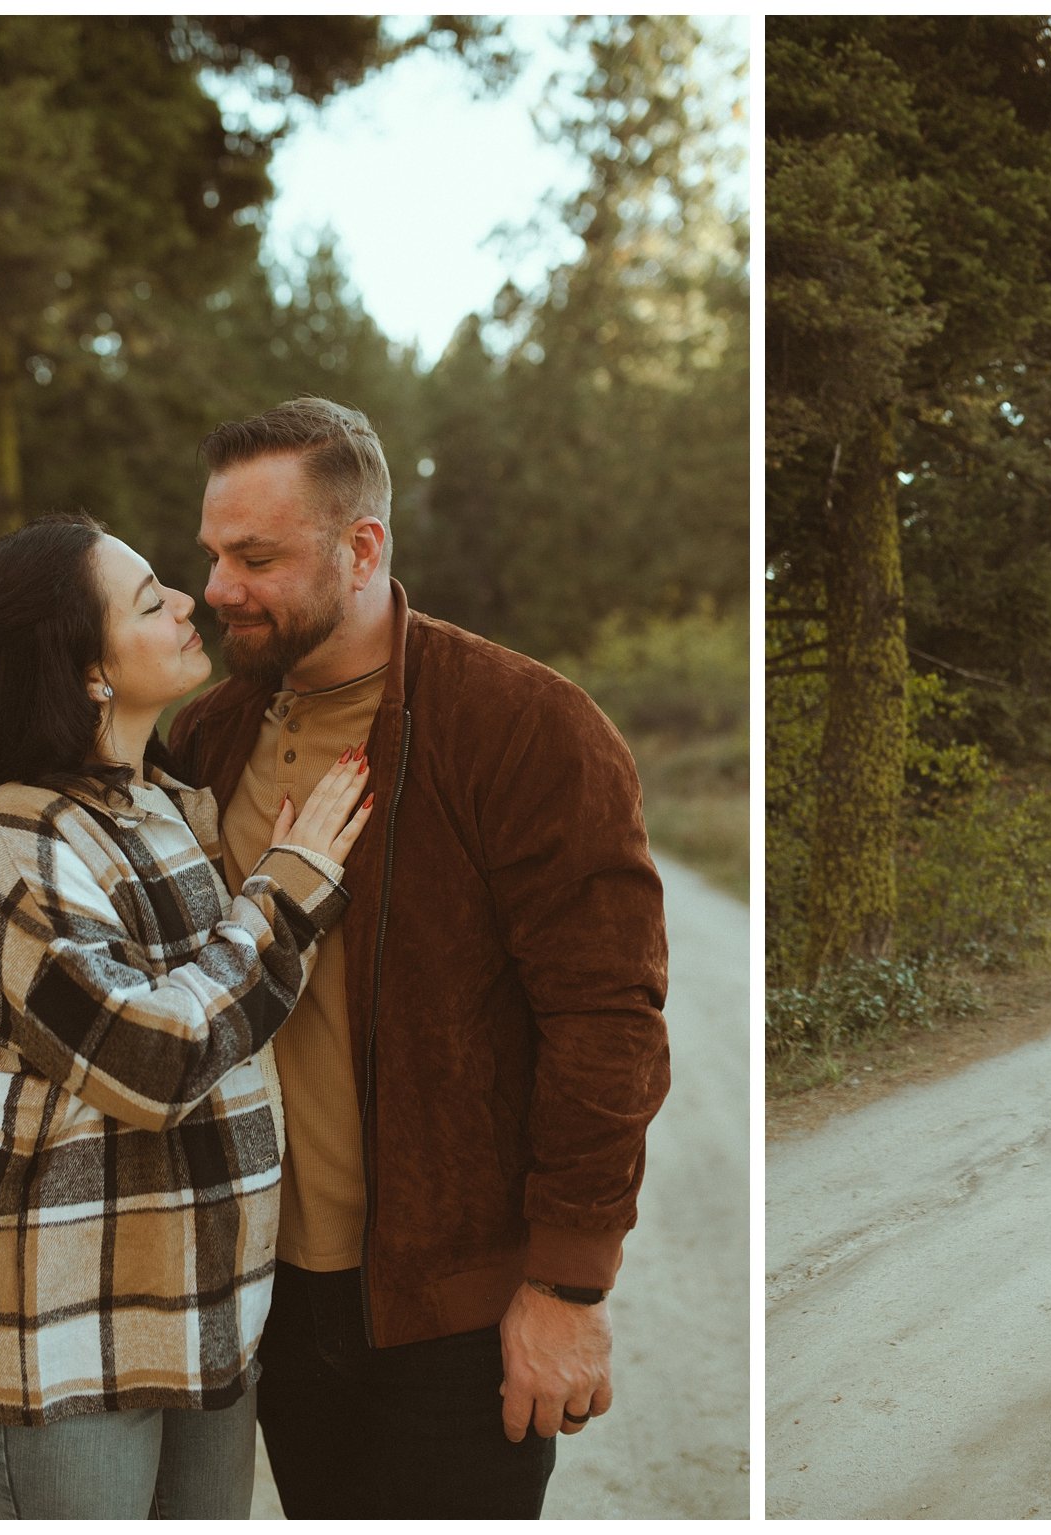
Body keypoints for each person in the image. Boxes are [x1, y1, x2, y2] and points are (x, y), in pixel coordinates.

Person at [167, 396, 671, 1518]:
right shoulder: (202, 740)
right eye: (212, 554)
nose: (217, 588)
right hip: (266, 1296)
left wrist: (564, 1281)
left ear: (361, 548)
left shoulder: (523, 725)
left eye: (255, 556)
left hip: (452, 1307)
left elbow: (609, 1021)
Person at [0, 513, 373, 1517]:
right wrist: (288, 892)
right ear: (88, 671)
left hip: (208, 1316)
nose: (187, 602)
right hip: (65, 1340)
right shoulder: (18, 837)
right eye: (148, 599)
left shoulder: (168, 804)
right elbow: (154, 1061)